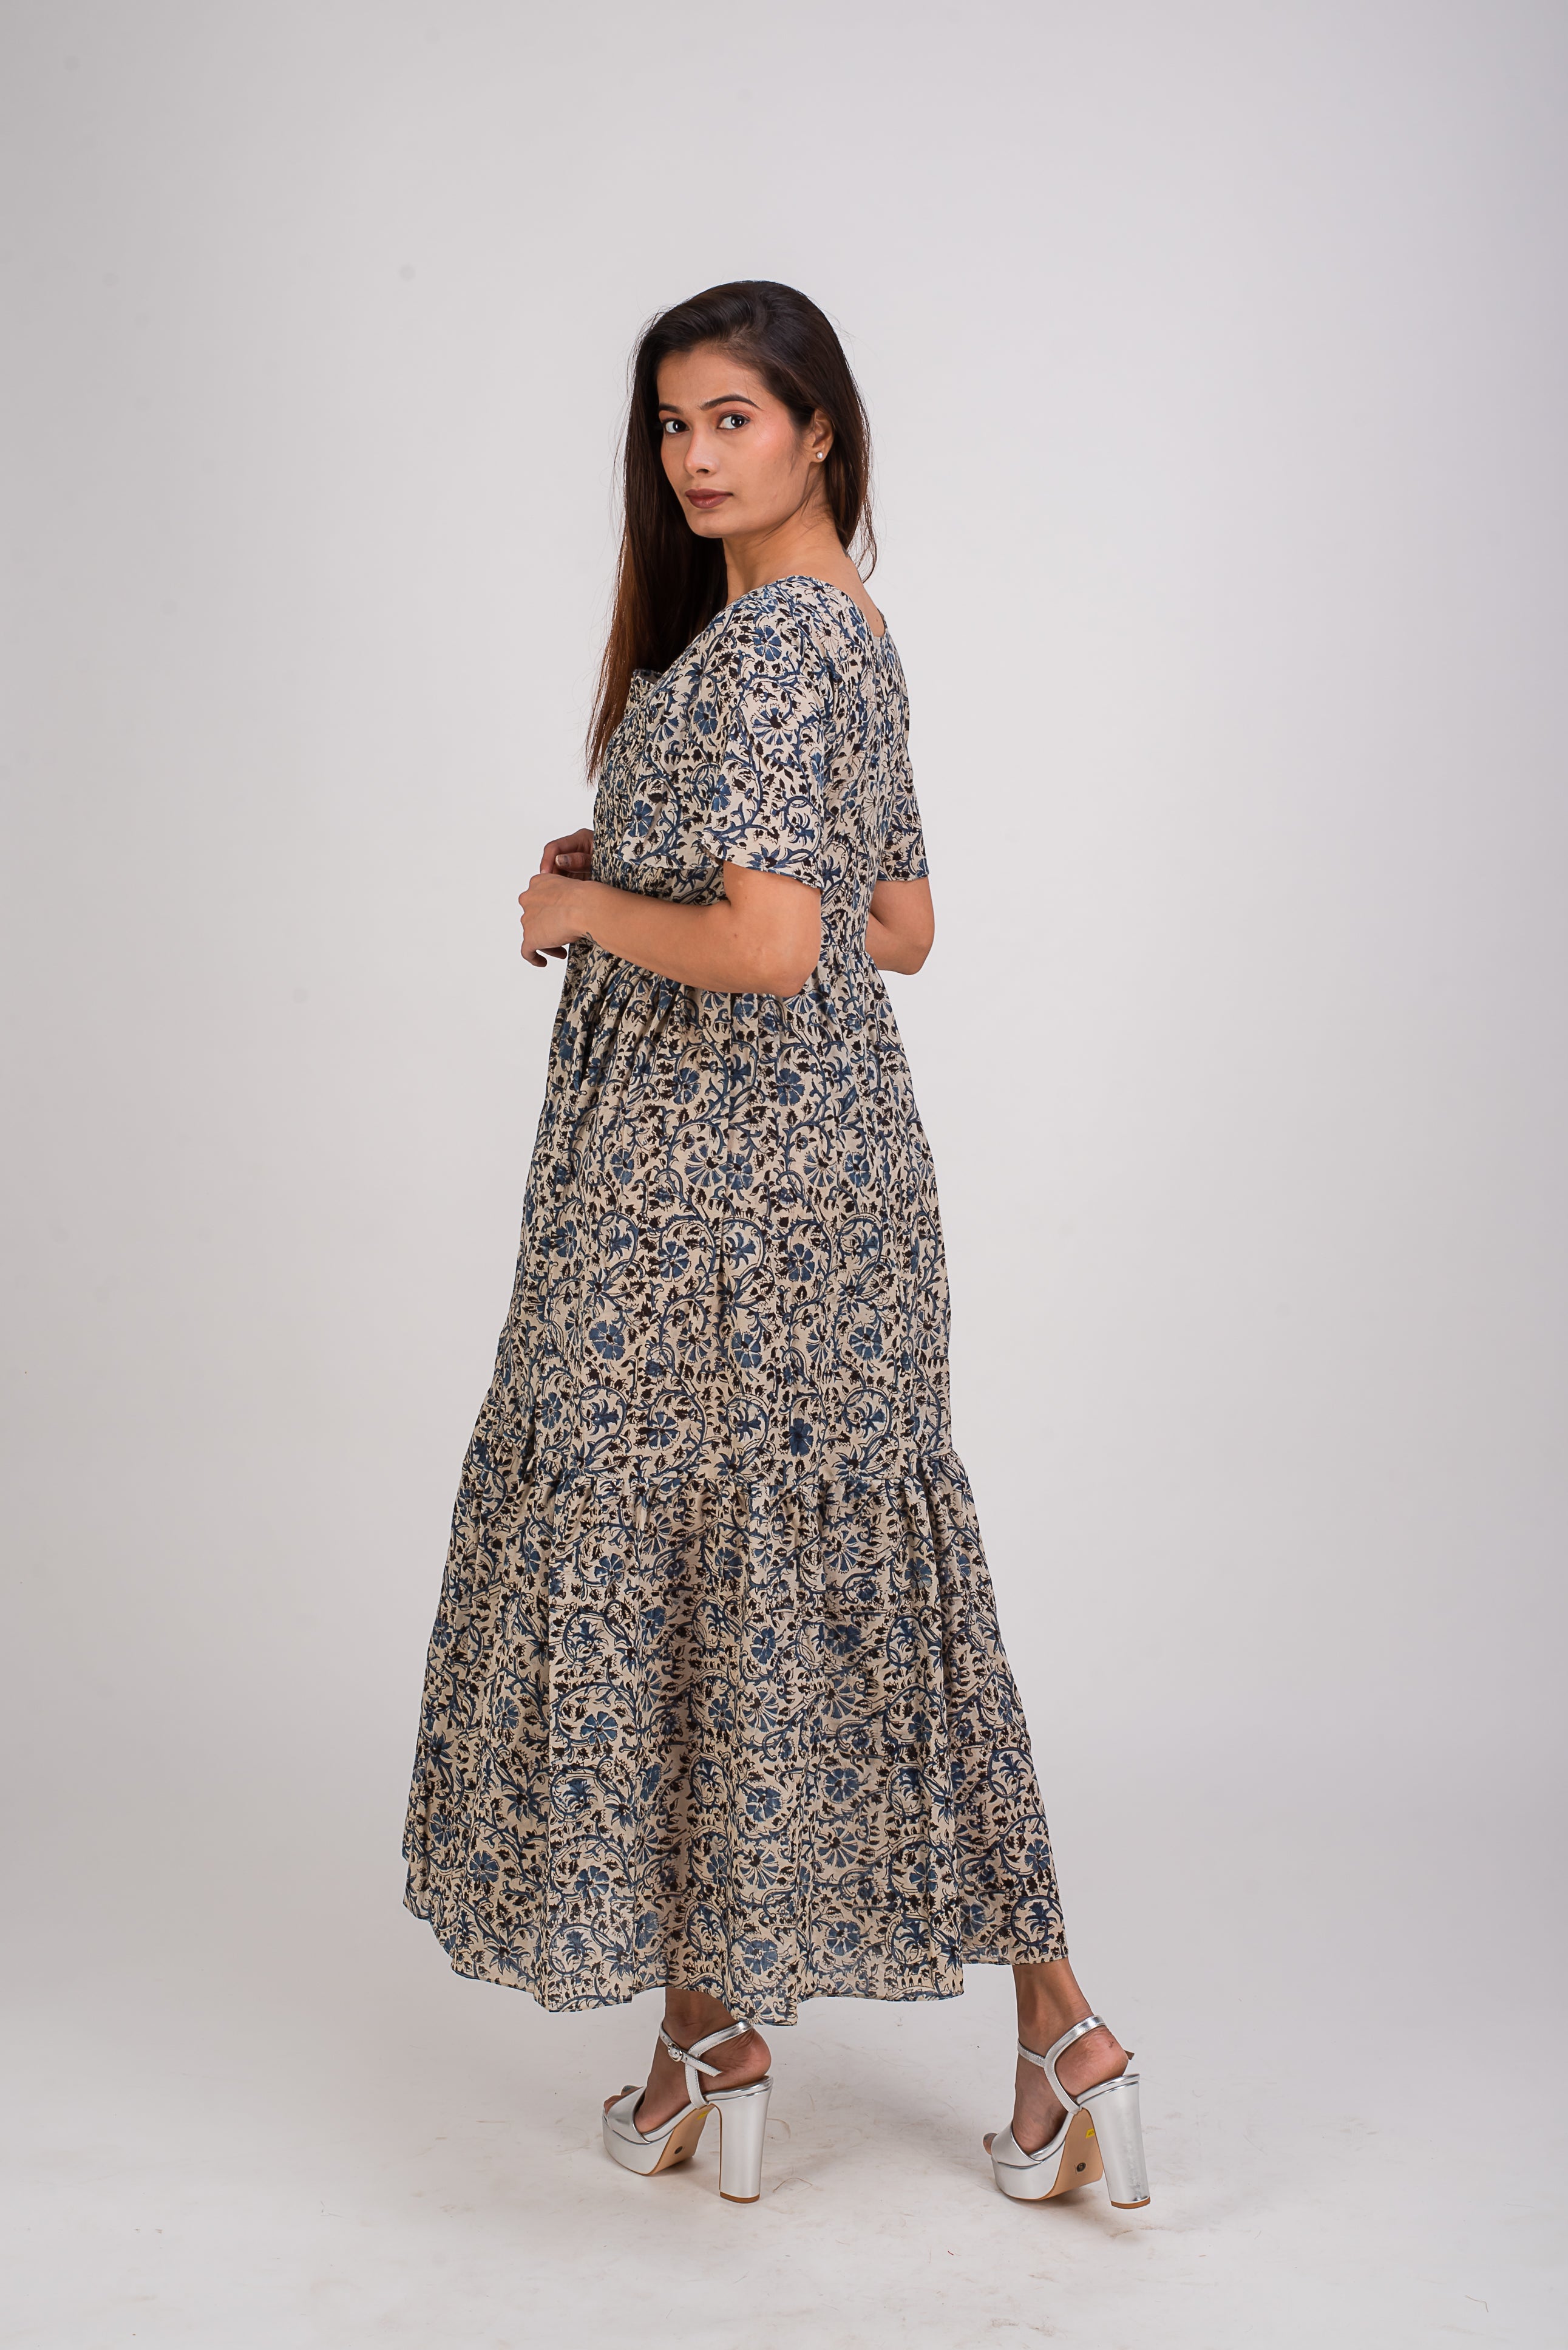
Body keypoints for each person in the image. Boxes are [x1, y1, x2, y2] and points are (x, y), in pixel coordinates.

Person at [403, 280, 1149, 2212]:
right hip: (835, 1190)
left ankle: (723, 2040)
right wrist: (638, 859)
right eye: (671, 425)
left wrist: (585, 916)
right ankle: (988, 2036)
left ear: (822, 430)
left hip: (691, 1197)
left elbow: (768, 942)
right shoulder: (846, 635)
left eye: (733, 417)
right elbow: (894, 925)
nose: (694, 455)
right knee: (803, 1581)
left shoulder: (759, 652)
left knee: (680, 1560)